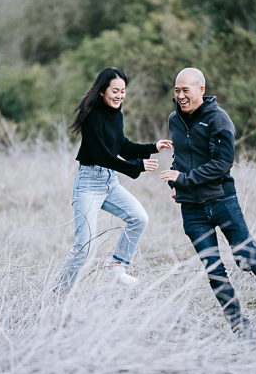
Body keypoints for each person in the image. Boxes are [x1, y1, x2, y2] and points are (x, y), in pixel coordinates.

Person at [160, 68, 256, 340]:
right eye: (177, 90)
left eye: (186, 90)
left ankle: (254, 259)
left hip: (222, 201)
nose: (180, 95)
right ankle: (240, 328)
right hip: (193, 212)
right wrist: (177, 185)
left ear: (201, 91)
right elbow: (180, 160)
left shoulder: (218, 119)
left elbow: (221, 163)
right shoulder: (174, 120)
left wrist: (184, 179)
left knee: (245, 260)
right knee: (214, 272)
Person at [54, 68, 172, 293]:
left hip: (110, 182)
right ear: (101, 91)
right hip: (88, 184)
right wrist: (137, 167)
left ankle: (116, 265)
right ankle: (58, 295)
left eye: (123, 91)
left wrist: (152, 147)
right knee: (84, 247)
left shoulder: (116, 114)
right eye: (114, 91)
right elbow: (101, 155)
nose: (119, 95)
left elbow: (122, 147)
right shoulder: (92, 117)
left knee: (139, 218)